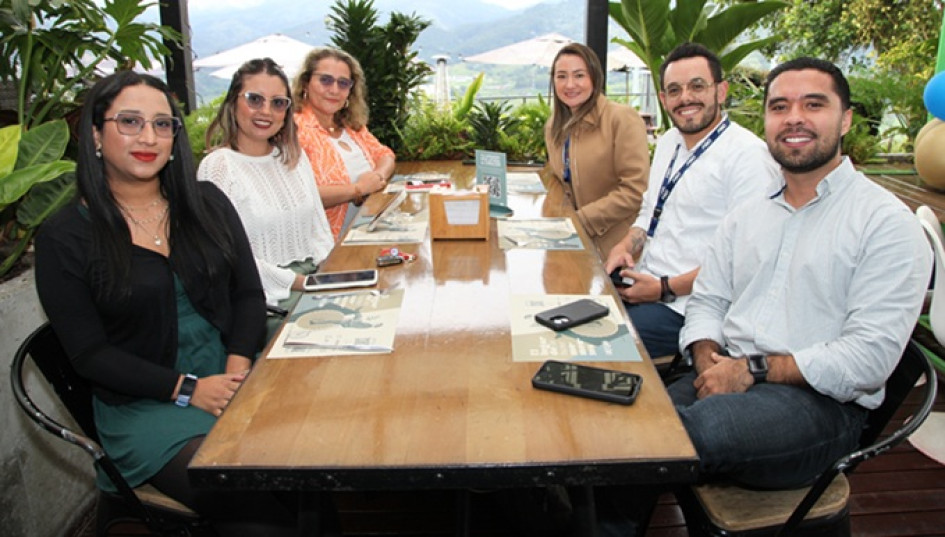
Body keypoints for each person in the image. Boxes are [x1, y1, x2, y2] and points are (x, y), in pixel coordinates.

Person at [33, 71, 300, 536]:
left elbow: (247, 294)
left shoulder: (207, 203)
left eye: (162, 124)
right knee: (258, 513)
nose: (148, 138)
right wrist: (190, 389)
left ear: (175, 138)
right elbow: (90, 354)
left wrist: (237, 371)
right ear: (96, 135)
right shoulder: (66, 238)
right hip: (148, 404)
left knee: (315, 475)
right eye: (130, 122)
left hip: (234, 374)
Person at [673, 56, 932, 490]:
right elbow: (708, 300)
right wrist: (707, 360)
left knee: (678, 436)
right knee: (631, 418)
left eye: (813, 105)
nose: (794, 118)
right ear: (766, 122)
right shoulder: (745, 217)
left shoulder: (885, 223)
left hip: (821, 403)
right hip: (726, 373)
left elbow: (867, 359)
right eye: (779, 107)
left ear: (845, 119)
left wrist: (752, 370)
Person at [603, 42, 778, 359]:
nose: (685, 98)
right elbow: (649, 213)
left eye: (697, 86)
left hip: (690, 307)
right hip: (646, 281)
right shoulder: (670, 142)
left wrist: (665, 288)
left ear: (721, 91)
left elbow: (743, 263)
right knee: (566, 307)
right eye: (674, 90)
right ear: (663, 99)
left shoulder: (748, 157)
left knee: (591, 342)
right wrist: (625, 246)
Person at [198, 57, 335, 339]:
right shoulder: (218, 167)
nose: (266, 111)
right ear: (233, 102)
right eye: (254, 99)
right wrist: (301, 282)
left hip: (312, 282)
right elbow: (227, 258)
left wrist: (331, 275)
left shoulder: (294, 158)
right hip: (264, 299)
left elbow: (319, 228)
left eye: (277, 103)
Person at [544, 42, 650, 258]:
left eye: (579, 75)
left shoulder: (621, 119)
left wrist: (580, 219)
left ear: (595, 77)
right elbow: (557, 177)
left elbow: (635, 191)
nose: (570, 84)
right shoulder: (554, 126)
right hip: (574, 243)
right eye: (561, 76)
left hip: (618, 249)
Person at [293, 47, 396, 239]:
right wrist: (359, 189)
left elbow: (385, 154)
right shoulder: (292, 130)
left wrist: (377, 177)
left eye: (343, 83)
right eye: (325, 80)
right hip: (324, 246)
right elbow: (297, 195)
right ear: (306, 83)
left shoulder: (351, 126)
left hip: (365, 232)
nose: (334, 90)